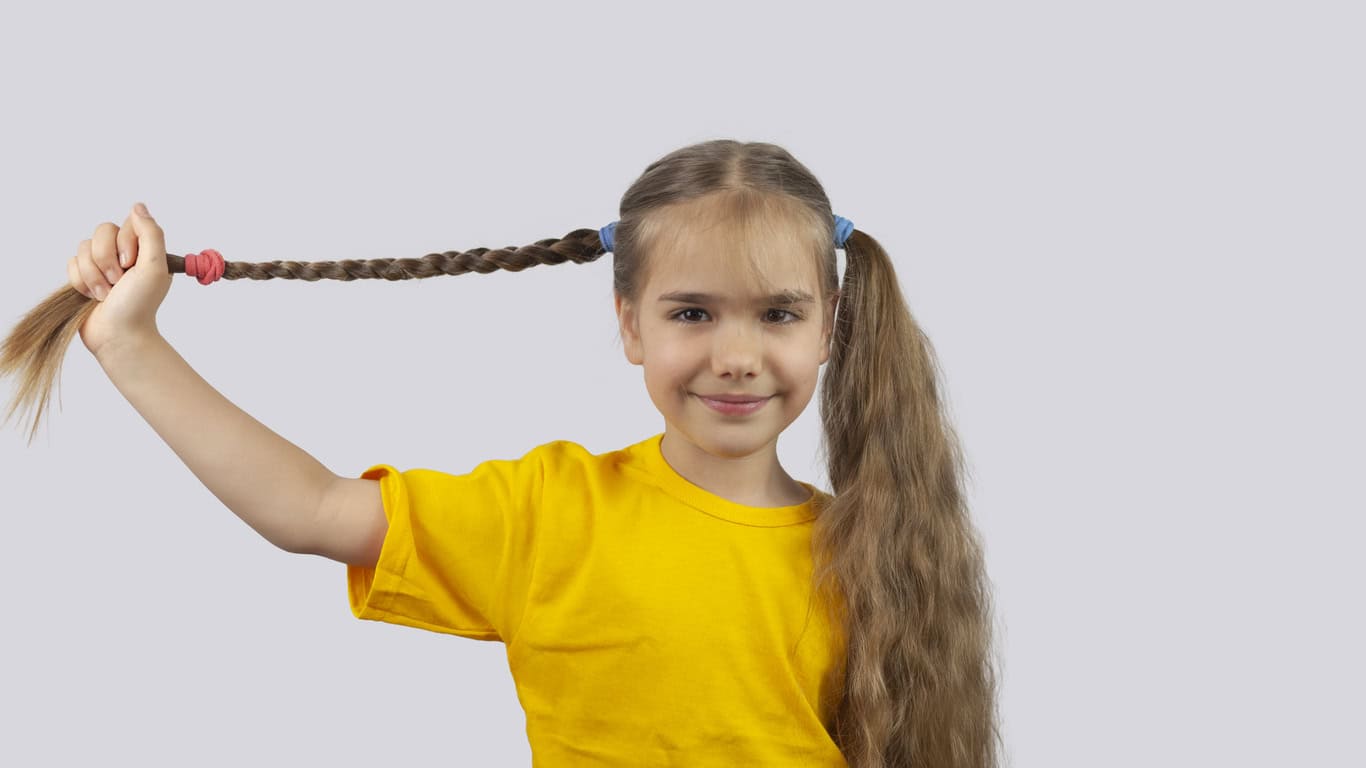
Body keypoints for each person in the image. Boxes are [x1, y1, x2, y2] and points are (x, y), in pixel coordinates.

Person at [37, 139, 1000, 767]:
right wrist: (129, 342)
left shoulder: (875, 542)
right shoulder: (553, 512)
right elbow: (314, 510)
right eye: (692, 313)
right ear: (629, 322)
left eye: (778, 314)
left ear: (831, 326)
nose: (736, 357)